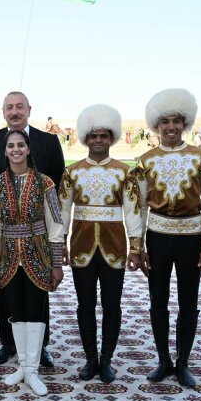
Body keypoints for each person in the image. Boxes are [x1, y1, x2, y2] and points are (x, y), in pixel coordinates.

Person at [130, 88, 201, 388]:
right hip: (157, 238)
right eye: (165, 121)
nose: (171, 127)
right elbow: (138, 206)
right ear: (156, 125)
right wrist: (137, 247)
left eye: (176, 121)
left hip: (190, 238)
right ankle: (163, 360)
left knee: (189, 300)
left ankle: (183, 363)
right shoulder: (144, 161)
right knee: (157, 299)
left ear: (185, 123)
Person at [0, 91, 64, 368]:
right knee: (6, 294)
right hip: (5, 242)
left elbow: (58, 190)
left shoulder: (48, 141)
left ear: (29, 109)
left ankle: (40, 348)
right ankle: (8, 343)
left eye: (19, 107)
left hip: (38, 241)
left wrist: (56, 252)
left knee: (38, 296)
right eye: (9, 107)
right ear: (3, 112)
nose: (14, 112)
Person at [58, 105, 143, 384]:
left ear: (111, 138)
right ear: (85, 138)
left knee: (112, 306)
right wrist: (60, 243)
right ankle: (90, 359)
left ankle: (107, 360)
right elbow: (63, 211)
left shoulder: (124, 172)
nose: (98, 141)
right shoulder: (72, 172)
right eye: (93, 136)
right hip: (81, 247)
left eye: (103, 136)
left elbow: (133, 211)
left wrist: (136, 248)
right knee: (84, 306)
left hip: (114, 247)